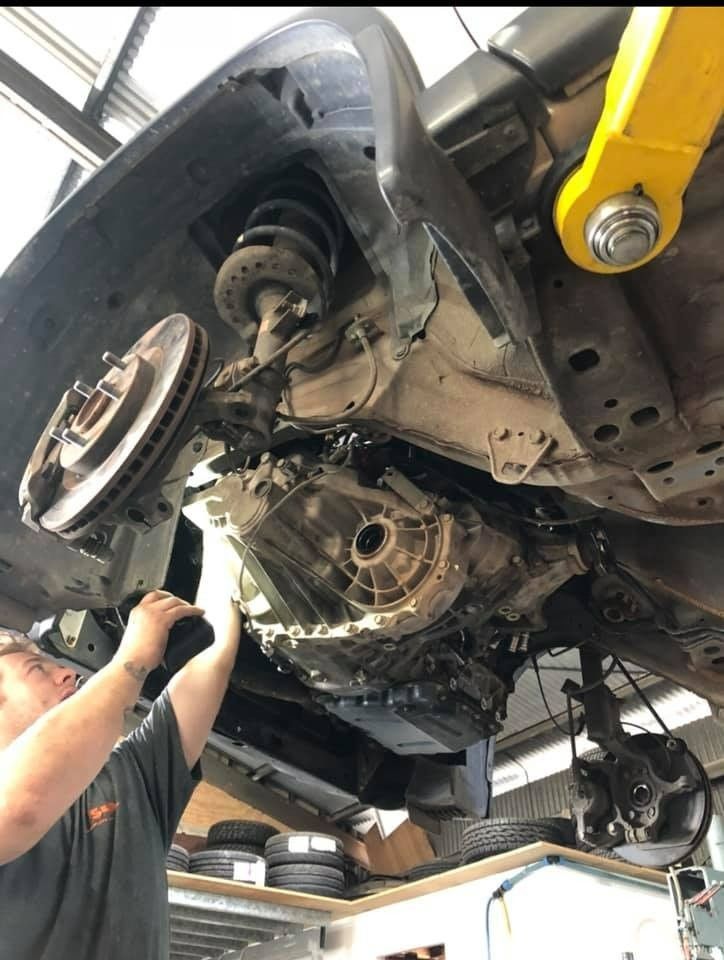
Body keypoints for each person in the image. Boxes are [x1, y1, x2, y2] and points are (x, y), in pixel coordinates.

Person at [0, 532, 241, 960]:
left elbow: (209, 659)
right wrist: (129, 664)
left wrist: (223, 527)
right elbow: (21, 807)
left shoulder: (130, 772)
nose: (69, 675)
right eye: (38, 668)